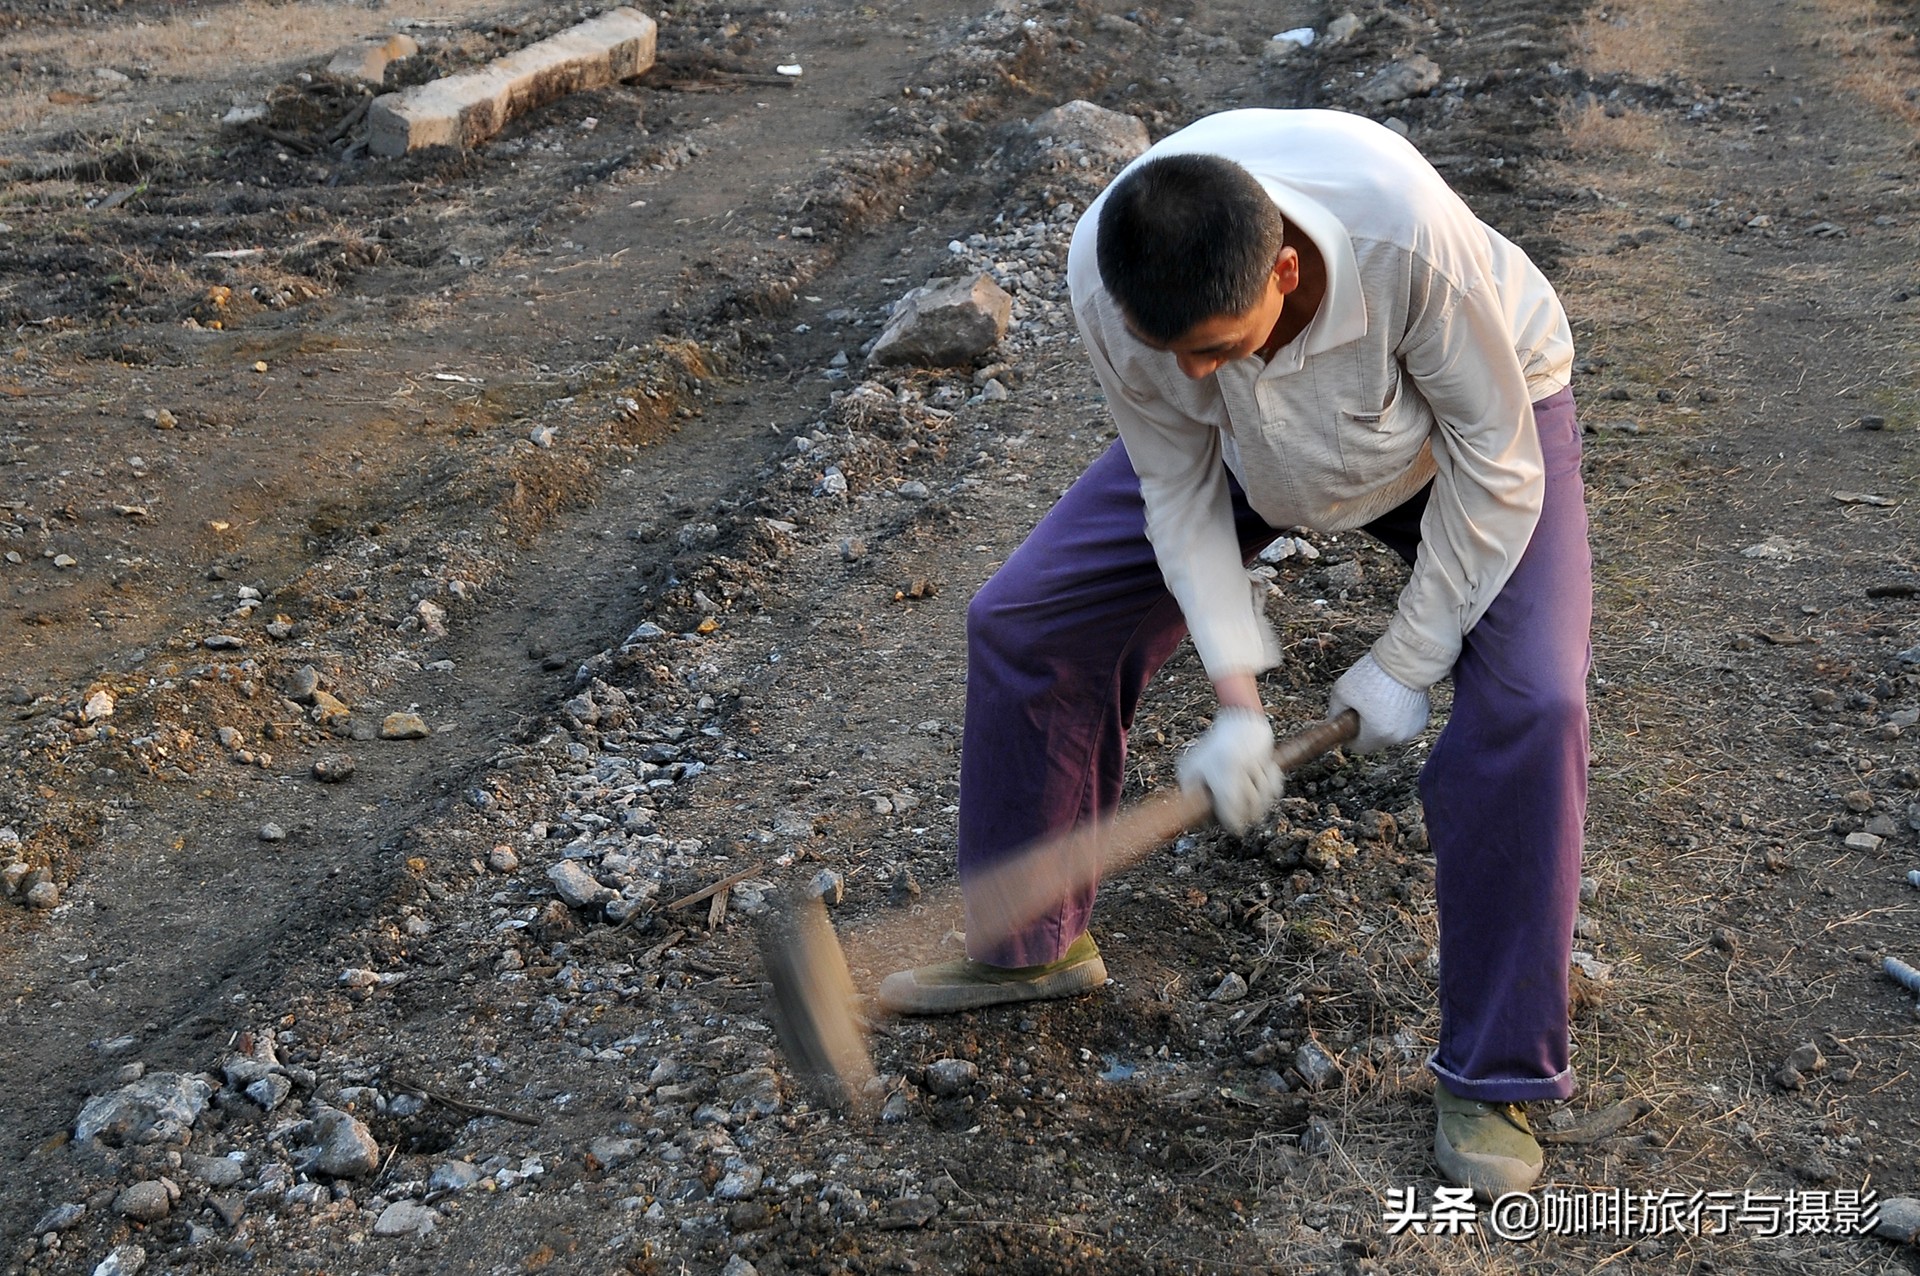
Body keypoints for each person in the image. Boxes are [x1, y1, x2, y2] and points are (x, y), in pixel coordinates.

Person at [877, 108, 1590, 1199]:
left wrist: (1405, 660)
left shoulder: (1408, 240)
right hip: (1256, 460)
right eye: (1176, 357)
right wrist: (1237, 699)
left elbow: (1499, 470)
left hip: (1459, 438)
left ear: (1287, 270)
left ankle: (1495, 1074)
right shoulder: (1114, 277)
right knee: (1027, 622)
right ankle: (1029, 948)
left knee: (1533, 705)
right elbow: (1175, 485)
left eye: (1217, 347)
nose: (1194, 376)